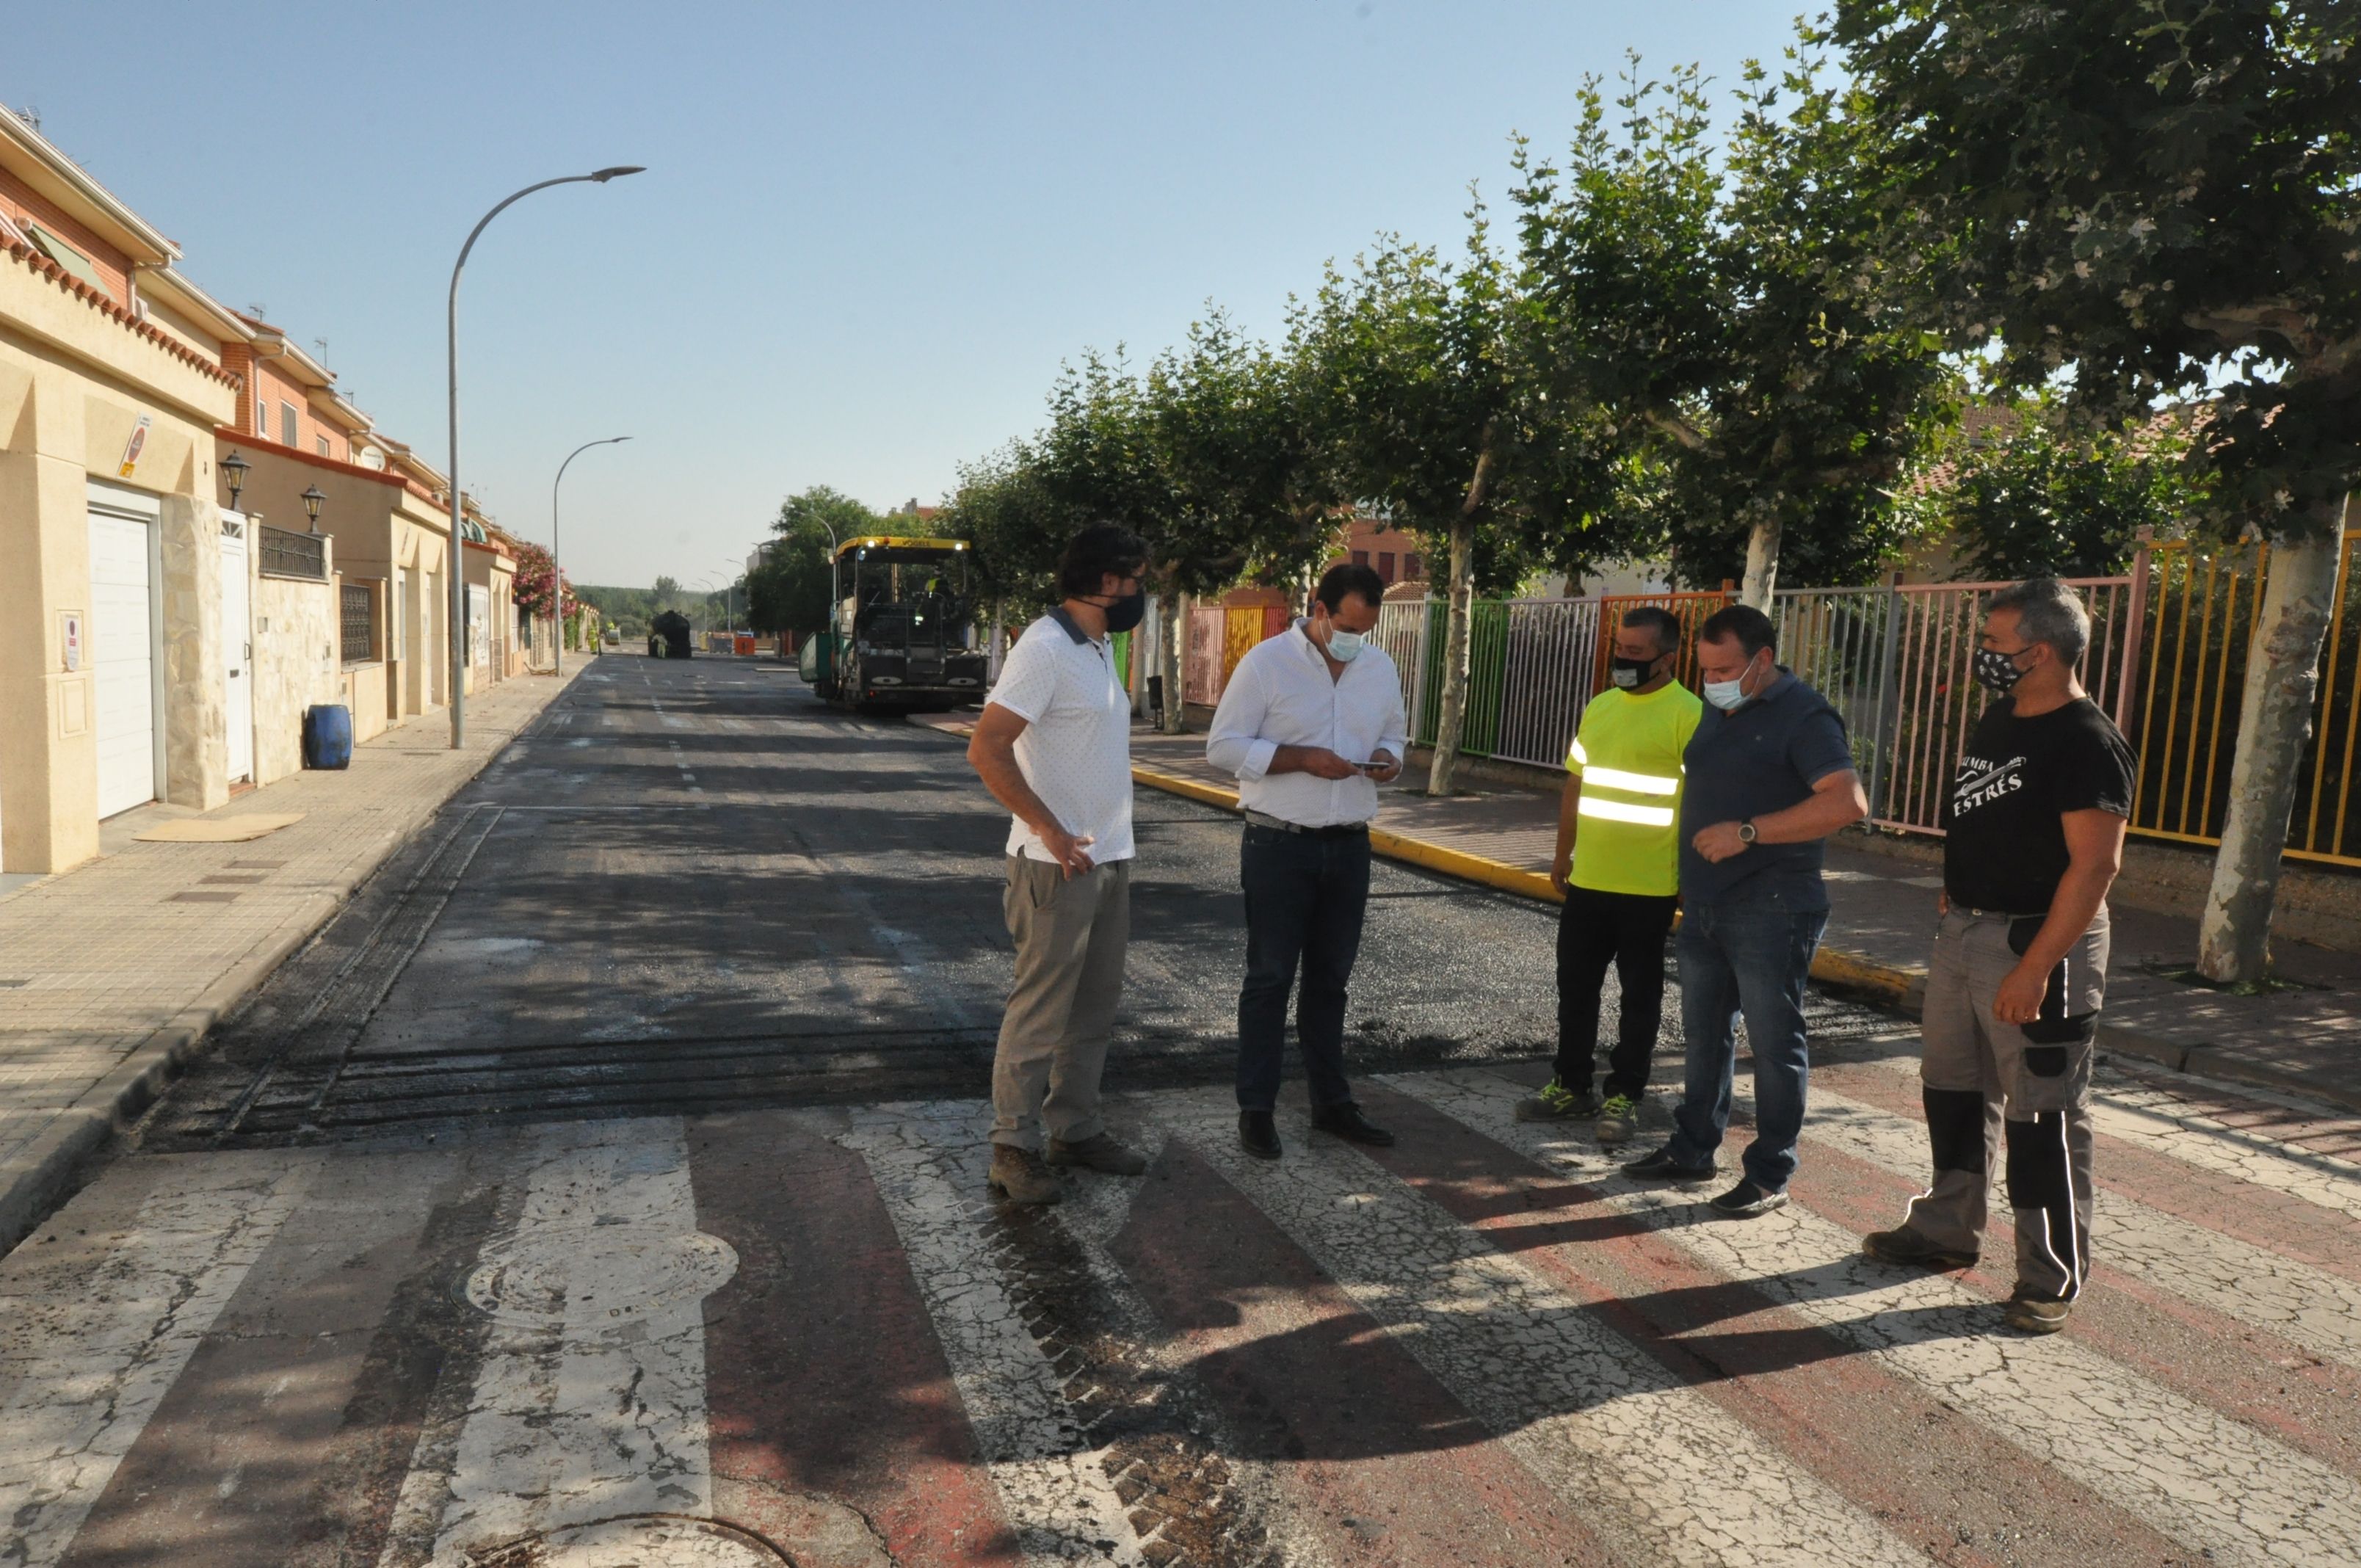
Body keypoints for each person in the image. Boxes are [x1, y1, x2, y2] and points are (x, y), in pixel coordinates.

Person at [1865, 580, 2135, 1335]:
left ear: (2039, 653)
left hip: (2036, 945)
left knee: (2043, 1116)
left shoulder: (2088, 742)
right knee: (1951, 1089)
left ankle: (2050, 1277)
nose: (1983, 655)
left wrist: (2037, 968)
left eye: (1994, 644)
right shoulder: (2001, 714)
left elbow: (2095, 868)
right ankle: (1945, 1230)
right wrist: (1959, 890)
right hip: (1965, 935)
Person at [1623, 603, 1866, 1217]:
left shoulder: (1805, 715)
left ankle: (1768, 1175)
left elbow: (1847, 803)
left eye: (1725, 669)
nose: (1712, 682)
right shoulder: (1716, 707)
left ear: (1763, 660)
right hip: (1707, 902)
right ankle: (1693, 1148)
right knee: (1704, 1038)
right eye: (1705, 671)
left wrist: (1749, 833)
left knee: (1774, 1043)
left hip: (1773, 905)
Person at [966, 524, 1154, 1205]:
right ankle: (1012, 1150)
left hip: (1106, 859)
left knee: (1093, 1010)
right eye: (1136, 579)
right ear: (1106, 583)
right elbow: (987, 750)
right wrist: (1048, 828)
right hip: (1053, 866)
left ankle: (1073, 1129)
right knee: (1041, 1012)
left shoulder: (1100, 646)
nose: (1141, 592)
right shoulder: (1044, 648)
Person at [1206, 562, 1407, 1159]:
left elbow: (1397, 733)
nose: (1356, 640)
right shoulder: (1267, 662)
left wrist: (1388, 757)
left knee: (1331, 981)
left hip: (1349, 844)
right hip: (1279, 843)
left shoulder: (1379, 666)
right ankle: (1257, 1110)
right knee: (1269, 979)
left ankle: (1332, 1105)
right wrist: (1299, 759)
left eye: (1366, 629)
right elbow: (1222, 747)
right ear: (1319, 611)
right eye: (1347, 626)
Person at [1517, 606, 1700, 1144]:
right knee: (1575, 990)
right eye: (1619, 649)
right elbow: (1575, 784)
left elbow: (1701, 803)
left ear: (1667, 659)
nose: (1623, 659)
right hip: (1589, 881)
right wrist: (1562, 854)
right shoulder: (1599, 707)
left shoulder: (1688, 715)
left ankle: (1625, 1096)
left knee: (1639, 998)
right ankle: (1571, 1087)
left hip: (1650, 887)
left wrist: (1687, 875)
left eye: (1636, 653)